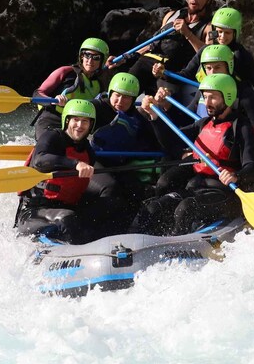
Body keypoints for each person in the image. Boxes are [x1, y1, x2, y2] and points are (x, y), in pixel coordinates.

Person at [129, 74, 254, 236]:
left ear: (228, 97)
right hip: (197, 188)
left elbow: (253, 168)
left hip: (226, 193)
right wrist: (154, 116)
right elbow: (171, 140)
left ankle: (176, 246)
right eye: (205, 97)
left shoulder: (241, 128)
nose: (207, 103)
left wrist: (236, 176)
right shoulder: (204, 123)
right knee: (155, 208)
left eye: (213, 97)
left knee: (185, 209)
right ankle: (146, 239)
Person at [15, 99, 125, 244]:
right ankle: (78, 251)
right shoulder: (51, 137)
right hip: (34, 213)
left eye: (85, 121)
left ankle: (111, 246)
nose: (80, 125)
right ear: (67, 121)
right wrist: (75, 164)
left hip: (67, 208)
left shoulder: (88, 151)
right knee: (67, 217)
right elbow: (40, 161)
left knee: (114, 203)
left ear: (91, 125)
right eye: (76, 120)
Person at [108, 0, 214, 97]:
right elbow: (152, 44)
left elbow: (208, 56)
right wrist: (125, 57)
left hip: (171, 73)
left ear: (208, 0)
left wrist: (188, 34)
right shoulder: (171, 15)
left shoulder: (208, 26)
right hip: (147, 62)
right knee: (122, 90)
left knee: (162, 102)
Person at [85, 72, 161, 231]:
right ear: (110, 93)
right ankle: (92, 229)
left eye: (126, 97)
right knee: (110, 188)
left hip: (119, 164)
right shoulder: (96, 107)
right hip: (92, 161)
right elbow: (74, 119)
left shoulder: (137, 118)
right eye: (117, 95)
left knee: (139, 191)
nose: (120, 101)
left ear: (133, 99)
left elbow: (155, 141)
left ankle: (127, 230)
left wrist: (155, 114)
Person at [154, 7, 254, 109]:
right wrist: (164, 73)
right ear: (214, 31)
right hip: (205, 98)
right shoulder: (206, 51)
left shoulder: (240, 55)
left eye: (227, 33)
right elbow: (186, 74)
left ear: (235, 33)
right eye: (219, 32)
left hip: (231, 103)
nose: (222, 37)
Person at [31, 38, 109, 140]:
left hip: (77, 125)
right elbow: (37, 93)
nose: (90, 60)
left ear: (102, 60)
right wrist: (54, 101)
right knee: (50, 144)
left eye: (96, 57)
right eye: (87, 55)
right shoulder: (65, 72)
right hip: (52, 120)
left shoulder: (99, 83)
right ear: (81, 56)